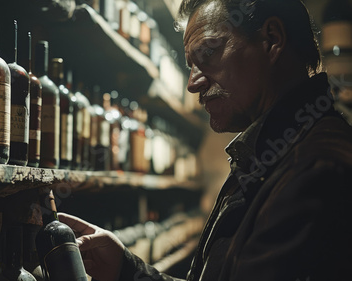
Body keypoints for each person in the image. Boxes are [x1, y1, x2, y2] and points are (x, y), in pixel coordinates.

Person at [59, 0, 352, 280]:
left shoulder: (315, 168)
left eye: (208, 54)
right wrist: (126, 271)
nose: (192, 83)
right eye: (190, 65)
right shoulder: (270, 154)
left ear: (271, 40)